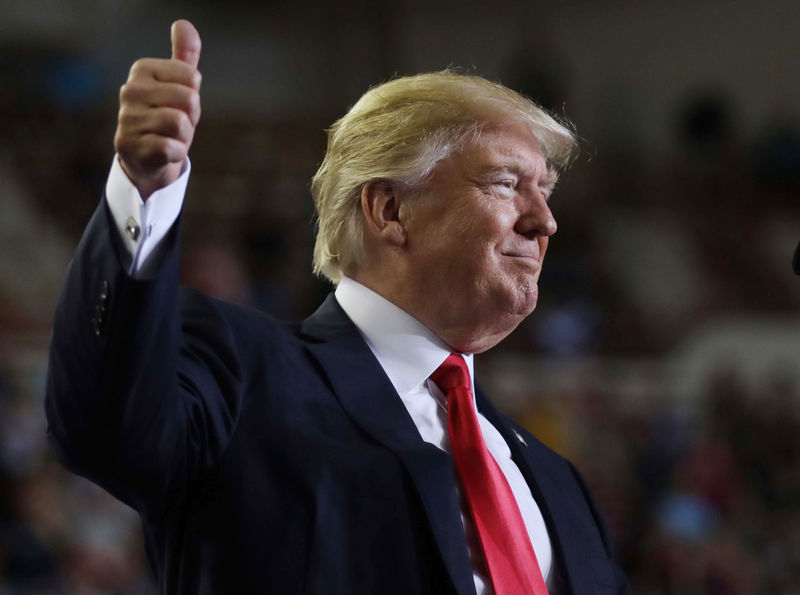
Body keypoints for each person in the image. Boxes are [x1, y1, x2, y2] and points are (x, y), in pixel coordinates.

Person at [45, 19, 630, 595]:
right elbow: (103, 426)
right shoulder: (243, 372)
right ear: (390, 211)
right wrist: (143, 189)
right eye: (505, 183)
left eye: (545, 192)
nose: (544, 220)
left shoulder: (559, 483)